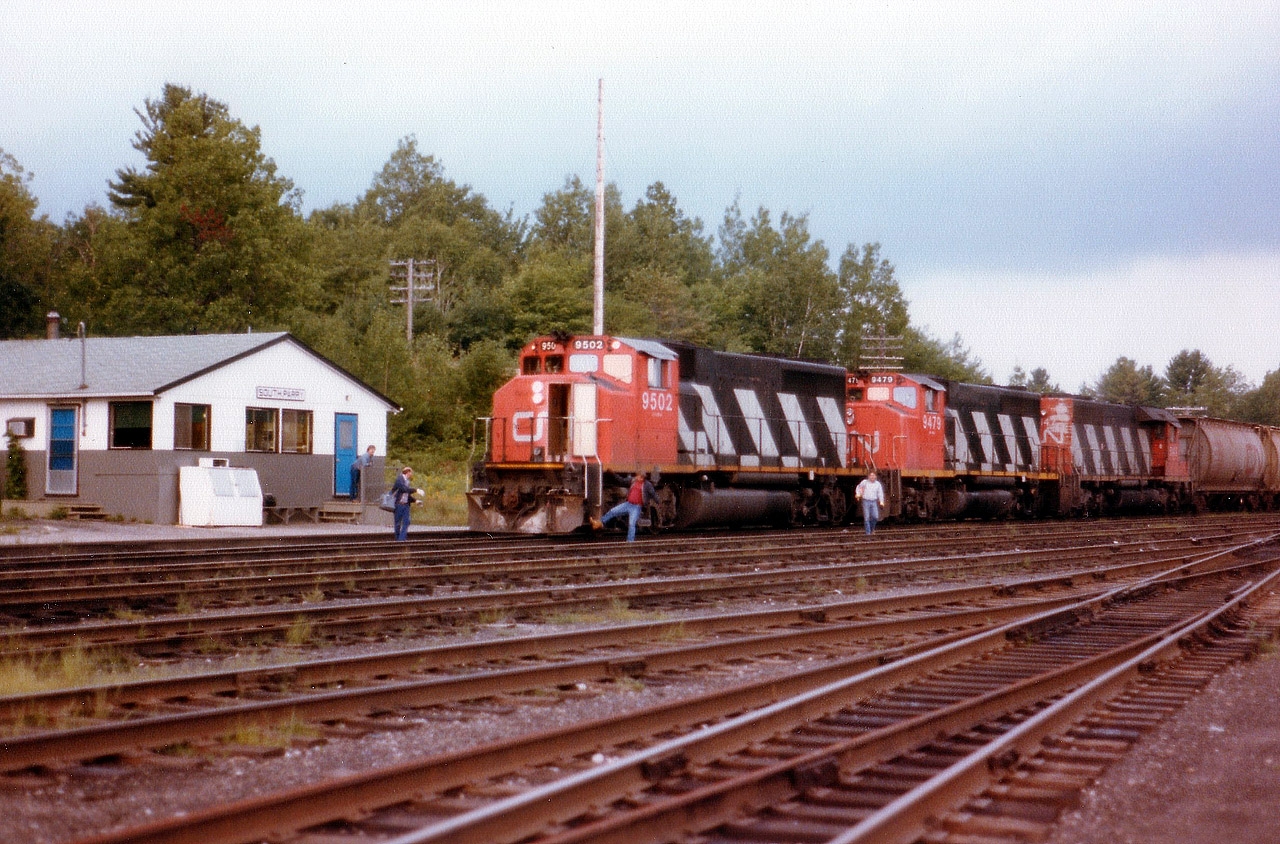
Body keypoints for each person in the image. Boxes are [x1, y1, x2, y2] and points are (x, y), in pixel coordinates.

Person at [594, 472, 656, 542]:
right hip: (628, 504)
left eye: (639, 476)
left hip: (636, 507)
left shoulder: (647, 485)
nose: (637, 477)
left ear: (642, 478)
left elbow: (653, 493)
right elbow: (622, 480)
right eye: (637, 476)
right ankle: (599, 522)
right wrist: (614, 474)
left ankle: (630, 541)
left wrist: (657, 501)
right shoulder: (633, 481)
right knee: (613, 511)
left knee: (631, 523)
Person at [391, 466, 422, 541]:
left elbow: (407, 494)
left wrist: (415, 501)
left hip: (406, 505)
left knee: (406, 521)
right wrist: (416, 490)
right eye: (410, 472)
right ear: (408, 472)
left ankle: (401, 539)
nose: (411, 474)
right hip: (398, 504)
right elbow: (404, 490)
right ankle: (398, 538)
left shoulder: (407, 481)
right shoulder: (399, 480)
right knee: (397, 523)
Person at [855, 470, 886, 536]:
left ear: (876, 477)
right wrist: (858, 494)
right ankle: (868, 533)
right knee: (866, 517)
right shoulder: (864, 482)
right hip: (865, 501)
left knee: (875, 516)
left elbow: (880, 493)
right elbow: (859, 488)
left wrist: (881, 501)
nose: (872, 477)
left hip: (874, 501)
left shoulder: (878, 484)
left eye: (873, 475)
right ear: (868, 476)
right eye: (871, 475)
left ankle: (872, 529)